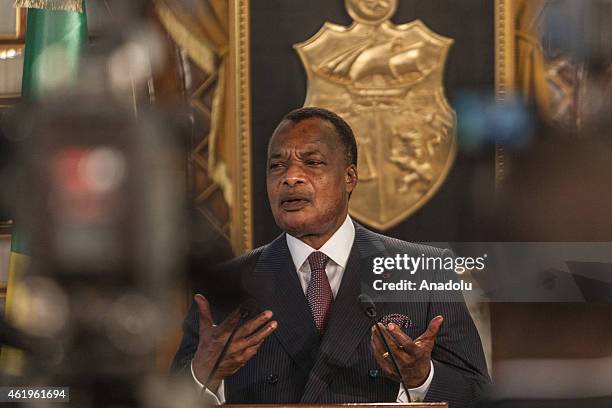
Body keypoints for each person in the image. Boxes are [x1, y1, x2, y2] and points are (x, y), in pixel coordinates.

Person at [172, 107, 490, 407]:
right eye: (277, 165)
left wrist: (422, 378)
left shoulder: (423, 273)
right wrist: (202, 375)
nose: (290, 177)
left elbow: (477, 396)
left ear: (349, 177)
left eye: (312, 162)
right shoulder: (225, 284)